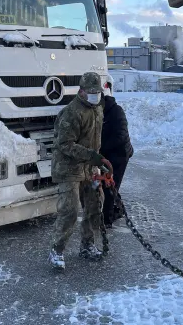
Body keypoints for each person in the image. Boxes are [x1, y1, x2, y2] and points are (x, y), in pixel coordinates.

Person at [49, 72, 112, 270]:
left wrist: (97, 161)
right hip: (69, 168)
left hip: (89, 167)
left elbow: (95, 139)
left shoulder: (97, 109)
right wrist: (91, 155)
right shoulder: (71, 112)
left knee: (95, 205)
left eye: (98, 92)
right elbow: (65, 144)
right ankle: (57, 250)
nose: (96, 95)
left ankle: (87, 245)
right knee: (70, 209)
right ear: (81, 92)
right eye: (91, 92)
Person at [100, 78, 133, 227]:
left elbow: (120, 136)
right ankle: (118, 209)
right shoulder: (104, 113)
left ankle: (107, 219)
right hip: (109, 155)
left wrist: (102, 148)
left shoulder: (116, 112)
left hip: (120, 155)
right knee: (109, 185)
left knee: (110, 188)